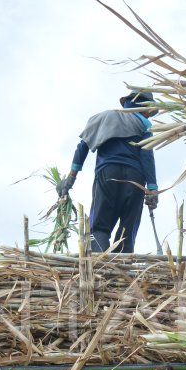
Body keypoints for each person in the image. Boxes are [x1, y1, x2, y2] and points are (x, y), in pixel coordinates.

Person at [59, 91, 160, 253]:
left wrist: (71, 178)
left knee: (99, 228)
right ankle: (121, 268)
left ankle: (101, 264)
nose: (150, 116)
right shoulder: (144, 125)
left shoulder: (102, 118)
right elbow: (147, 156)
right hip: (135, 180)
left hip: (108, 175)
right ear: (143, 106)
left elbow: (82, 147)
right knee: (128, 230)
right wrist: (153, 188)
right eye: (150, 111)